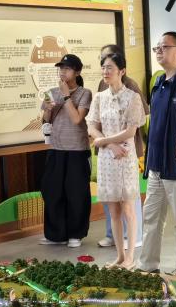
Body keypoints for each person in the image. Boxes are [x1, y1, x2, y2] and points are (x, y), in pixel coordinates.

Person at [139, 32, 176, 275]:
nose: (158, 51)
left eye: (164, 47)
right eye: (157, 47)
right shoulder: (158, 82)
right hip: (156, 165)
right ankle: (148, 265)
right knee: (151, 219)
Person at [87, 52, 146, 268]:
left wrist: (103, 141)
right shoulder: (99, 97)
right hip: (107, 157)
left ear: (122, 71)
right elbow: (91, 126)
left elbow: (131, 131)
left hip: (125, 156)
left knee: (128, 209)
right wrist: (108, 144)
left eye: (110, 67)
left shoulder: (133, 97)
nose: (105, 71)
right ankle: (119, 256)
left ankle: (130, 257)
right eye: (103, 67)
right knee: (113, 211)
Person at [39, 54, 92, 247]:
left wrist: (66, 95)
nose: (63, 72)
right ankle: (56, 235)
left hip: (77, 150)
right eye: (61, 68)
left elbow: (77, 119)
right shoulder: (50, 92)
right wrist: (47, 109)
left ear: (77, 72)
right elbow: (46, 121)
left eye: (67, 68)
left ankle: (75, 234)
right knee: (53, 192)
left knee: (76, 193)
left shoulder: (85, 93)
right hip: (56, 148)